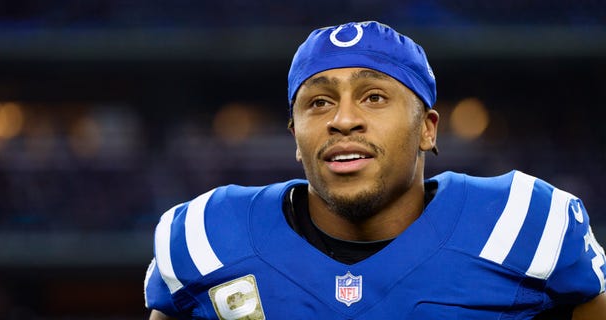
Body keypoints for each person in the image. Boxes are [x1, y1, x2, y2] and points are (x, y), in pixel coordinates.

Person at [144, 21, 606, 319]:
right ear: (296, 138)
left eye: (374, 97)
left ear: (427, 129)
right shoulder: (208, 237)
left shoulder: (526, 224)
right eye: (319, 102)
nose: (343, 119)